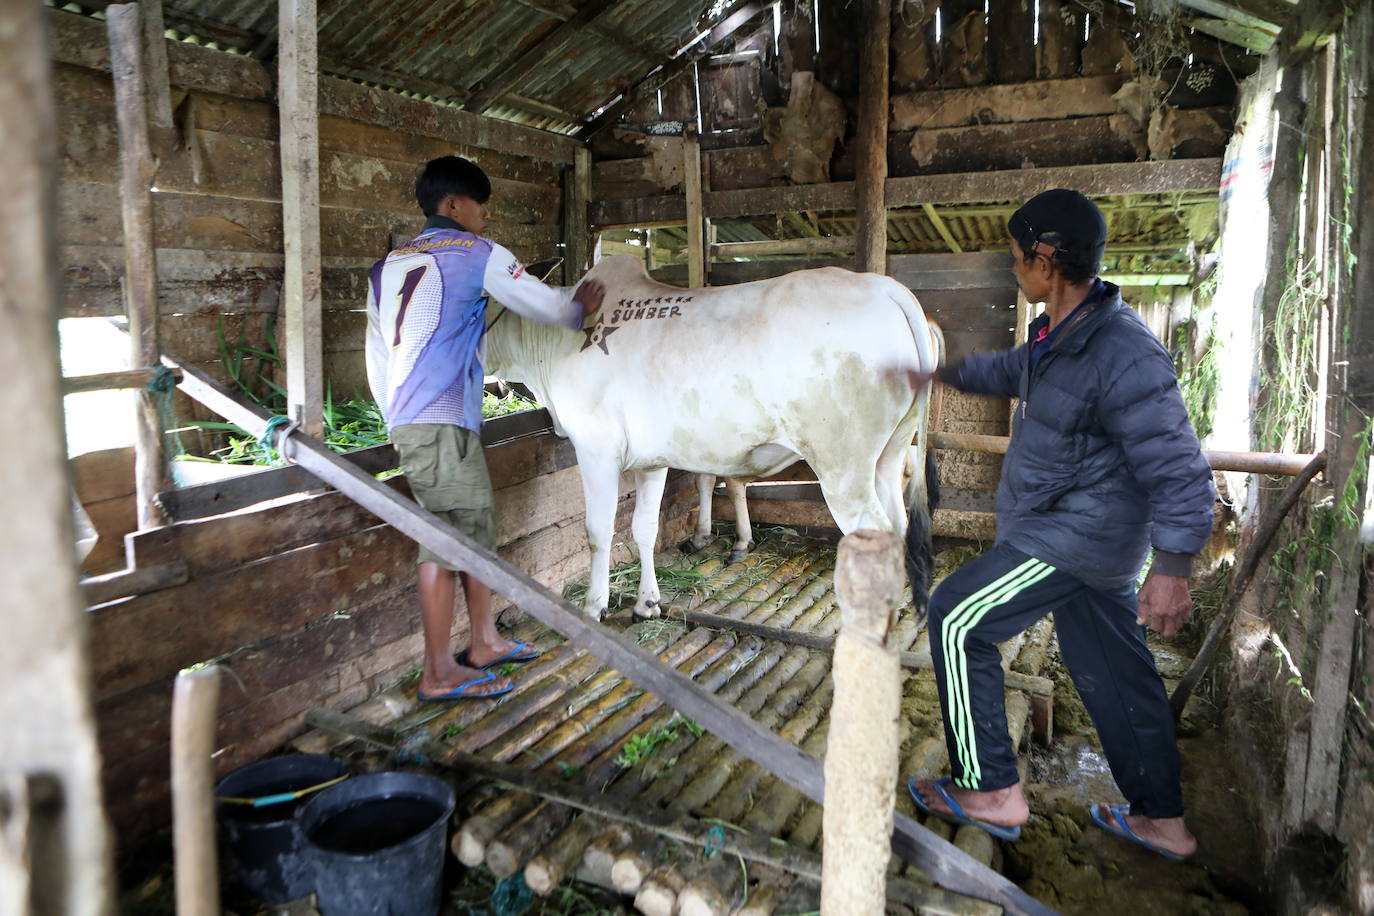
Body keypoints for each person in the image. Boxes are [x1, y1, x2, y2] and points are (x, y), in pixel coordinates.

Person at [905, 188, 1214, 861]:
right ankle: (1164, 819)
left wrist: (1174, 569)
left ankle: (989, 788)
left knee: (957, 616)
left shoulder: (1123, 351)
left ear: (1046, 258)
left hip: (1076, 534)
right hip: (1084, 539)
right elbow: (1014, 369)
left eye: (1018, 253)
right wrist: (937, 373)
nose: (1013, 265)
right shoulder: (1062, 336)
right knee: (1113, 672)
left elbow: (1179, 464)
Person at [365, 156, 605, 701]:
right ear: (453, 206)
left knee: (473, 532)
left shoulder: (389, 266)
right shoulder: (477, 254)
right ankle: (437, 673)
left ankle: (484, 641)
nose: (487, 216)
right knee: (447, 540)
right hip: (439, 417)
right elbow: (543, 305)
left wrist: (396, 417)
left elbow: (377, 354)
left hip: (415, 416)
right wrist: (577, 308)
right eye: (480, 205)